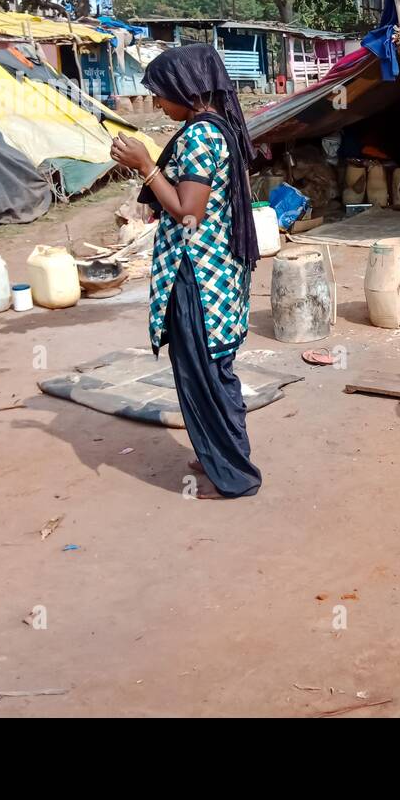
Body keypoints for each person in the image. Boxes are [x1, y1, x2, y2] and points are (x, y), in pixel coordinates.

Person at [109, 45, 263, 500]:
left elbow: (185, 210)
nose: (158, 103)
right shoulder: (219, 129)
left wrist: (145, 165)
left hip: (197, 273)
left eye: (160, 94)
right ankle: (219, 449)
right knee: (215, 366)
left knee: (203, 368)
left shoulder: (200, 136)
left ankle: (233, 475)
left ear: (185, 89)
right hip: (217, 271)